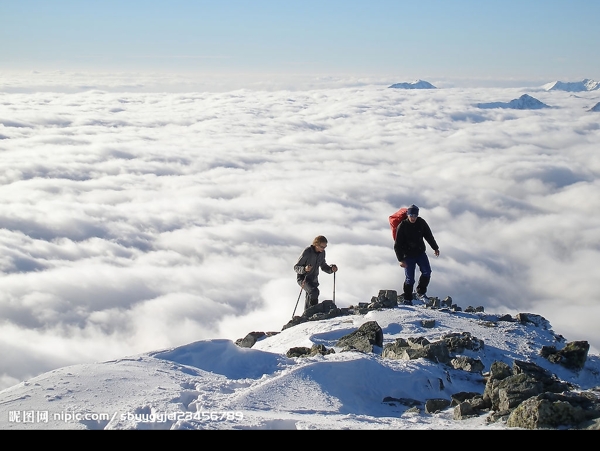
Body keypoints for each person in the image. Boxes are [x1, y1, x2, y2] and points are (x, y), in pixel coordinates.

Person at [393, 204, 440, 303]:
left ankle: (421, 292)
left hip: (420, 253)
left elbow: (428, 236)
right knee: (410, 279)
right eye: (411, 215)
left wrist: (435, 247)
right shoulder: (402, 226)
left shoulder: (421, 222)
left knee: (427, 272)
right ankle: (407, 299)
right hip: (408, 255)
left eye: (415, 215)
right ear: (408, 215)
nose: (413, 218)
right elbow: (397, 245)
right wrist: (400, 259)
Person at [294, 235, 338, 312]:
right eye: (322, 247)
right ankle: (313, 312)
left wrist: (331, 269)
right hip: (303, 278)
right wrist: (305, 269)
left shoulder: (322, 253)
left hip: (313, 279)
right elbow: (296, 267)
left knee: (311, 294)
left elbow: (323, 266)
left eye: (325, 247)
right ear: (316, 245)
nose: (323, 249)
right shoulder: (307, 252)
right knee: (314, 292)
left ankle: (307, 314)